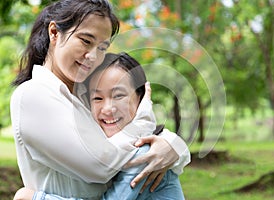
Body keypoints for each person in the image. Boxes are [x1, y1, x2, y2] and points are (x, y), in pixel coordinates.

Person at [10, 0, 190, 199]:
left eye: (102, 47)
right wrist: (144, 121)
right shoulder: (34, 95)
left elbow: (118, 138)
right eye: (86, 41)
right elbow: (101, 165)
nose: (93, 56)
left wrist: (172, 145)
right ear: (54, 32)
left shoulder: (83, 97)